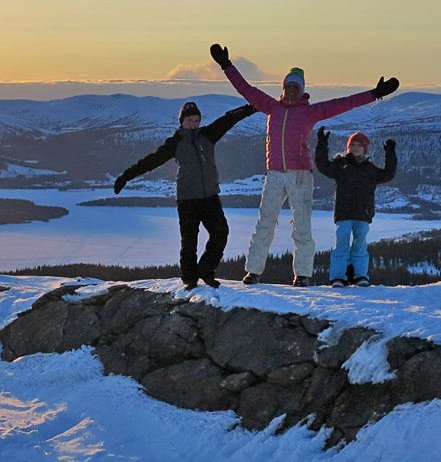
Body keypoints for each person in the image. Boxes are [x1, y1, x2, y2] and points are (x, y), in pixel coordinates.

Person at [210, 43, 398, 285]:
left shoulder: (310, 112)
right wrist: (227, 66)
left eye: (296, 87)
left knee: (302, 227)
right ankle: (254, 271)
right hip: (275, 174)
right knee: (265, 223)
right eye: (288, 86)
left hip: (300, 175)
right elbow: (245, 88)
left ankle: (303, 274)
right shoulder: (271, 107)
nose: (291, 90)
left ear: (302, 90)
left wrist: (375, 94)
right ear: (284, 87)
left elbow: (344, 103)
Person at [112, 100, 257, 289]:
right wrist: (126, 176)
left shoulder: (208, 135)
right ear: (182, 121)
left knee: (220, 232)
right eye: (189, 120)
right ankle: (189, 278)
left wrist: (251, 107)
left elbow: (228, 119)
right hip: (187, 199)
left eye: (196, 120)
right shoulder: (175, 143)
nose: (194, 124)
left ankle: (206, 270)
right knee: (189, 240)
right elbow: (151, 161)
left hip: (210, 196)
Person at [315, 129, 397, 286]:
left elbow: (388, 174)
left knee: (360, 245)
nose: (355, 147)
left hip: (363, 214)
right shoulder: (341, 164)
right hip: (344, 213)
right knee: (341, 246)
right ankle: (338, 277)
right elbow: (323, 166)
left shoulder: (370, 169)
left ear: (365, 148)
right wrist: (322, 144)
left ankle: (360, 276)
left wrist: (390, 153)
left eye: (359, 145)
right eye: (352, 144)